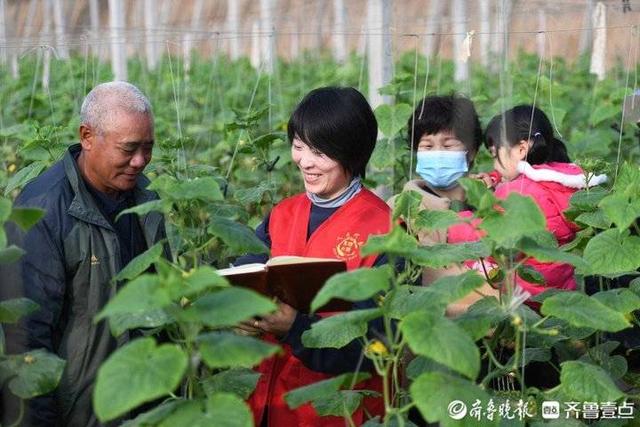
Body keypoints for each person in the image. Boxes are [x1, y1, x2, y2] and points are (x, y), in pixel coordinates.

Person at [1, 81, 168, 427]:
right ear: (87, 137)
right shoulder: (42, 209)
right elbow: (28, 340)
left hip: (143, 402)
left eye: (148, 147)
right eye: (128, 148)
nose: (140, 161)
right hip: (78, 411)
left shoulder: (146, 200)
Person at [234, 87, 391, 426]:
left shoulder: (385, 231)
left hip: (335, 412)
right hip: (268, 404)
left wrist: (296, 328)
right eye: (299, 146)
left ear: (351, 153)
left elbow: (378, 340)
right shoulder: (281, 215)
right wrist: (242, 310)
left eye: (319, 152)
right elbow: (245, 270)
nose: (305, 161)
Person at [448, 105, 607, 298]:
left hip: (522, 297)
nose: (494, 165)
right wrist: (495, 184)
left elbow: (482, 234)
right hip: (557, 291)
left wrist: (454, 217)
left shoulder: (517, 193)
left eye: (494, 154)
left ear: (522, 148)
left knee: (461, 269)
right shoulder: (556, 181)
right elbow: (518, 180)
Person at [388, 94, 498, 314]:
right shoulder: (402, 209)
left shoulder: (494, 204)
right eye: (427, 146)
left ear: (472, 152)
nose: (437, 154)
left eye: (448, 145)